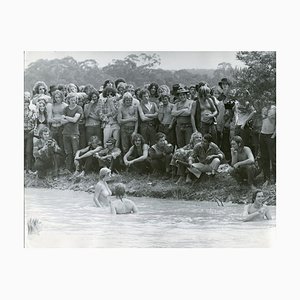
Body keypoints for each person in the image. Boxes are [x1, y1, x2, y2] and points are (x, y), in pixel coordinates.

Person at [61, 93, 84, 172]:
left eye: (75, 100)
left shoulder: (79, 108)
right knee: (68, 152)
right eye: (71, 100)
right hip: (65, 132)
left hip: (74, 132)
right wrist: (70, 119)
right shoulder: (66, 109)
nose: (73, 102)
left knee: (75, 151)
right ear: (68, 100)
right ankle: (68, 169)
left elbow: (75, 120)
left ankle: (77, 169)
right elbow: (62, 122)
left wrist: (66, 117)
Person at [260, 95, 276, 186]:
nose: (266, 100)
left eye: (267, 98)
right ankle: (267, 178)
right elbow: (263, 119)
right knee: (264, 158)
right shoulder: (264, 108)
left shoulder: (275, 109)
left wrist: (274, 135)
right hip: (263, 134)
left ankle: (276, 179)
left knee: (273, 158)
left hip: (271, 135)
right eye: (264, 99)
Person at [24, 95, 37, 173]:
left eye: (26, 102)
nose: (25, 104)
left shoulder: (32, 111)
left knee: (28, 150)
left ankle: (28, 168)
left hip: (29, 132)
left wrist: (34, 129)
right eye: (24, 102)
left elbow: (35, 123)